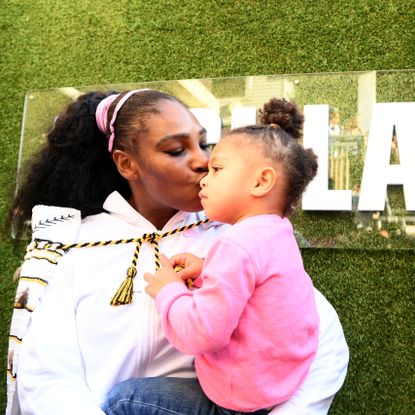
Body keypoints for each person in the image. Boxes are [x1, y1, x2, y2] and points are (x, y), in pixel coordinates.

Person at [6, 89, 348, 415]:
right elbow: (46, 373)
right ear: (127, 164)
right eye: (176, 150)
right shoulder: (72, 245)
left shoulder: (238, 238)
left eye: (202, 144)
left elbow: (323, 343)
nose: (202, 161)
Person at [139, 98, 320, 413]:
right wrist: (208, 269)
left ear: (261, 181)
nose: (204, 179)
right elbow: (260, 284)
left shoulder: (235, 244)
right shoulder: (277, 230)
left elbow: (202, 334)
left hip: (236, 401)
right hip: (277, 385)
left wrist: (168, 290)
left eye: (217, 169)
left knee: (124, 399)